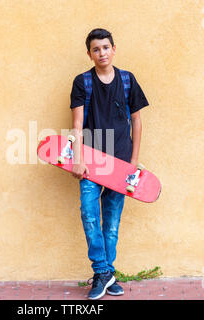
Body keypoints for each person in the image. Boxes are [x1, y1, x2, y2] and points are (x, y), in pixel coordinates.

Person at [69, 28, 149, 300]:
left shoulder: (128, 80)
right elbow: (77, 124)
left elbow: (137, 120)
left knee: (112, 221)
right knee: (89, 215)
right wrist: (77, 160)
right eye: (96, 49)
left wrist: (134, 162)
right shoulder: (83, 82)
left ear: (114, 49)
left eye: (105, 47)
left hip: (121, 163)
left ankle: (105, 274)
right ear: (89, 53)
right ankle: (104, 271)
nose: (101, 53)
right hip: (91, 161)